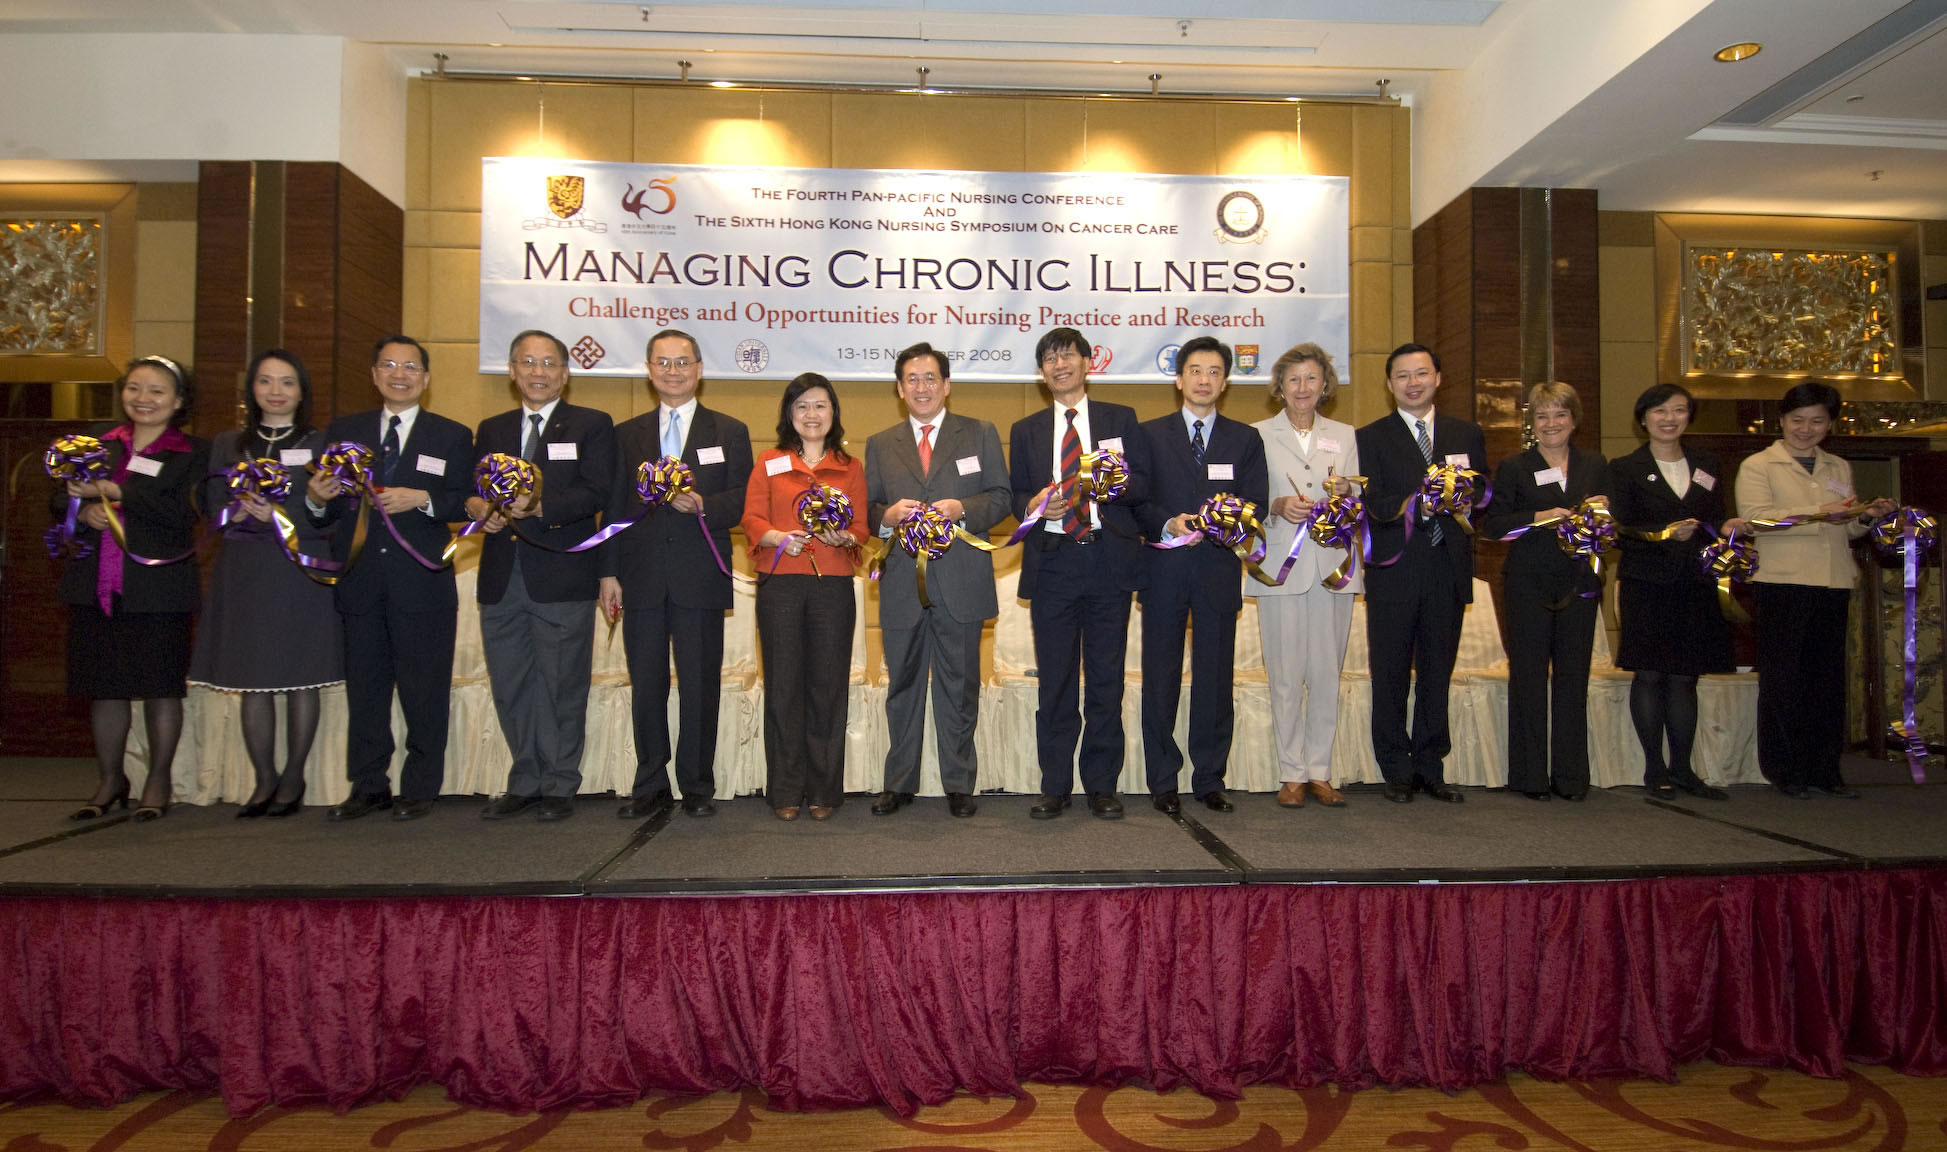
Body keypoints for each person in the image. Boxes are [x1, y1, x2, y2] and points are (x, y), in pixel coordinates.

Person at [306, 336, 474, 822]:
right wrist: (317, 499)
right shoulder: (345, 431)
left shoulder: (452, 435)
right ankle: (368, 784)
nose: (400, 374)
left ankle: (421, 786)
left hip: (422, 584)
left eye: (411, 367)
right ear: (375, 374)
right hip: (360, 581)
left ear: (425, 378)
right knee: (366, 689)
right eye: (389, 366)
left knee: (425, 689)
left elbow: (465, 501)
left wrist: (421, 498)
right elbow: (323, 512)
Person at [600, 330, 753, 819]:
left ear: (700, 368)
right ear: (648, 370)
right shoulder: (625, 435)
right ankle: (649, 783)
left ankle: (697, 785)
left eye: (682, 361)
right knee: (645, 684)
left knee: (700, 684)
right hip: (639, 577)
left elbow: (745, 501)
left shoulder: (728, 431)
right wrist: (607, 574)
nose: (673, 370)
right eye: (663, 362)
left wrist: (705, 503)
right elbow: (612, 510)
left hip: (699, 576)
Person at [187, 349, 342, 818]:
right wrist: (236, 511)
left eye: (287, 382)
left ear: (302, 390)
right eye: (266, 381)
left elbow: (332, 512)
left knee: (300, 677)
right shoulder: (227, 444)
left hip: (299, 571)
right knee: (254, 679)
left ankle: (293, 777)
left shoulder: (322, 443)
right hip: (245, 571)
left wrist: (282, 514)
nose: (276, 391)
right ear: (252, 388)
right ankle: (263, 779)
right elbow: (210, 504)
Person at [469, 330, 616, 822]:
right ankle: (525, 778)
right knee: (511, 684)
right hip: (499, 578)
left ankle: (559, 782)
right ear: (512, 371)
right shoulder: (491, 428)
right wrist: (479, 510)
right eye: (528, 362)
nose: (538, 371)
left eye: (549, 362)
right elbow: (474, 491)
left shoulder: (591, 425)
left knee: (561, 684)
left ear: (565, 373)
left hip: (561, 575)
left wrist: (537, 505)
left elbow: (598, 492)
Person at [863, 341, 1012, 818]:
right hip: (903, 584)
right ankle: (899, 782)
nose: (922, 387)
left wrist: (962, 509)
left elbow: (1003, 497)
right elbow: (866, 510)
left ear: (947, 386)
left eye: (931, 378)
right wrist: (885, 516)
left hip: (961, 582)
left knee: (959, 685)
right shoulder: (881, 443)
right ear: (899, 389)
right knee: (901, 685)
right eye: (912, 379)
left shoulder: (980, 432)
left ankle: (958, 783)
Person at [1007, 327, 1150, 820]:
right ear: (1041, 371)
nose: (1059, 365)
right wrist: (1035, 507)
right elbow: (1014, 498)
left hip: (1108, 560)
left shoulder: (1120, 419)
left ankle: (1103, 785)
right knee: (1058, 681)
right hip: (1053, 565)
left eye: (1068, 356)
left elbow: (1143, 485)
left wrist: (1109, 486)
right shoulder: (1025, 429)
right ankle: (1054, 785)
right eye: (1049, 359)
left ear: (1089, 363)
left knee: (1107, 679)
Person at [58, 356, 207, 823]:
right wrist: (83, 514)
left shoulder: (192, 452)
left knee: (161, 689)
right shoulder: (97, 443)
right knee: (105, 688)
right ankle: (109, 780)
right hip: (96, 585)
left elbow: (185, 512)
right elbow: (58, 493)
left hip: (159, 587)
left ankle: (157, 781)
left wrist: (120, 494)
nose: (144, 399)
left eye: (157, 391)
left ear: (178, 401)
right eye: (135, 389)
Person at [1734, 382, 1894, 799]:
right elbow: (1757, 520)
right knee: (1785, 679)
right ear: (1782, 421)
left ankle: (1824, 769)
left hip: (1833, 580)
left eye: (1817, 421)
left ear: (1830, 424)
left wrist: (1866, 516)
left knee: (1826, 680)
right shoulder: (1758, 465)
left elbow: (1848, 525)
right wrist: (1820, 512)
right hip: (1783, 580)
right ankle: (1786, 770)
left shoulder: (1837, 466)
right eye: (1797, 420)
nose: (1806, 429)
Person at [1137, 336, 1268, 815]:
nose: (1204, 379)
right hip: (1164, 570)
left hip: (1216, 570)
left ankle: (1210, 777)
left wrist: (1228, 520)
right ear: (1178, 378)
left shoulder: (1244, 439)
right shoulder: (1149, 435)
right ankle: (1161, 778)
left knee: (1214, 678)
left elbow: (1254, 502)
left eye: (1214, 371)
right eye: (1195, 370)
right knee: (1161, 677)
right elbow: (1138, 501)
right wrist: (1167, 522)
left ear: (1226, 382)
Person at [1354, 342, 1486, 804]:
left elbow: (1483, 492)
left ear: (1438, 378)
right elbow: (1369, 504)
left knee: (1436, 672)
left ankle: (1431, 765)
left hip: (1447, 570)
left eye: (1422, 374)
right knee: (1389, 672)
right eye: (1403, 376)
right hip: (1394, 571)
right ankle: (1396, 768)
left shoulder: (1465, 434)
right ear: (1389, 385)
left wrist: (1466, 499)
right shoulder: (1369, 437)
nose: (1414, 383)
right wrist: (1418, 504)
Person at [742, 373, 868, 821]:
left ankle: (824, 792)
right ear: (788, 414)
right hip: (781, 582)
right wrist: (777, 535)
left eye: (820, 406)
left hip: (831, 585)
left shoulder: (849, 466)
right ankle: (785, 792)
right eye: (802, 406)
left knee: (827, 688)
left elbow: (862, 529)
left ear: (833, 413)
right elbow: (752, 518)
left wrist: (843, 535)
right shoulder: (770, 461)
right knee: (783, 687)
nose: (811, 415)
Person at [1480, 383, 1609, 801]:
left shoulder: (1595, 464)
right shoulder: (1516, 467)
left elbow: (1612, 527)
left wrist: (1603, 516)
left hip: (1580, 581)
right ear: (1531, 423)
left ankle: (1571, 778)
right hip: (1528, 582)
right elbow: (1495, 526)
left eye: (1559, 415)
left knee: (1573, 679)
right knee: (1529, 679)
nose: (1551, 424)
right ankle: (1530, 776)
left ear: (1574, 420)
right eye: (1542, 416)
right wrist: (1540, 517)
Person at [1611, 383, 1738, 801]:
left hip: (1695, 583)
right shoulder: (1626, 467)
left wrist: (1728, 531)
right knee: (1649, 674)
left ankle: (1684, 768)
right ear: (1643, 418)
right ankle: (1654, 768)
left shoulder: (1707, 464)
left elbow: (1716, 518)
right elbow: (1618, 531)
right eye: (1660, 411)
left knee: (1686, 677)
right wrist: (1663, 534)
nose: (1669, 419)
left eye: (1679, 411)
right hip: (1647, 582)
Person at [1250, 343, 1359, 809]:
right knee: (1285, 674)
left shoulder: (1346, 434)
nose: (1302, 388)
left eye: (1311, 379)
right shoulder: (1256, 434)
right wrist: (1277, 507)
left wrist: (1346, 493)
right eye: (1293, 379)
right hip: (1279, 566)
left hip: (1333, 564)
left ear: (1325, 385)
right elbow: (1248, 499)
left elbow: (1359, 500)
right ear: (1279, 387)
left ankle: (1321, 771)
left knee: (1326, 673)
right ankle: (1291, 772)